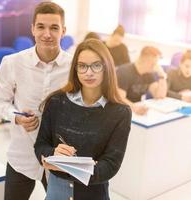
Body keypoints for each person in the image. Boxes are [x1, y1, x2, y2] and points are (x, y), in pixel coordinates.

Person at [34, 39, 132, 200]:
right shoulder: (56, 101)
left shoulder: (120, 112)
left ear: (106, 67)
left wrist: (73, 168)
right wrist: (52, 153)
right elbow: (40, 145)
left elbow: (111, 164)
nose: (89, 72)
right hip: (57, 192)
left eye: (96, 65)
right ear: (75, 69)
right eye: (82, 66)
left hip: (93, 193)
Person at [0, 2, 72, 200]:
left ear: (63, 30)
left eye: (54, 27)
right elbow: (1, 102)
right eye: (41, 27)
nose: (47, 33)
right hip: (22, 154)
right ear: (32, 29)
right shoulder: (12, 62)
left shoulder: (74, 67)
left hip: (58, 157)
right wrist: (17, 117)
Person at [117, 46, 168, 115]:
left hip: (134, 110)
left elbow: (159, 96)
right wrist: (134, 108)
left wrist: (162, 75)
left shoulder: (148, 73)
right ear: (145, 60)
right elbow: (119, 98)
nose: (156, 65)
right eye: (154, 63)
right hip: (120, 110)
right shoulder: (124, 72)